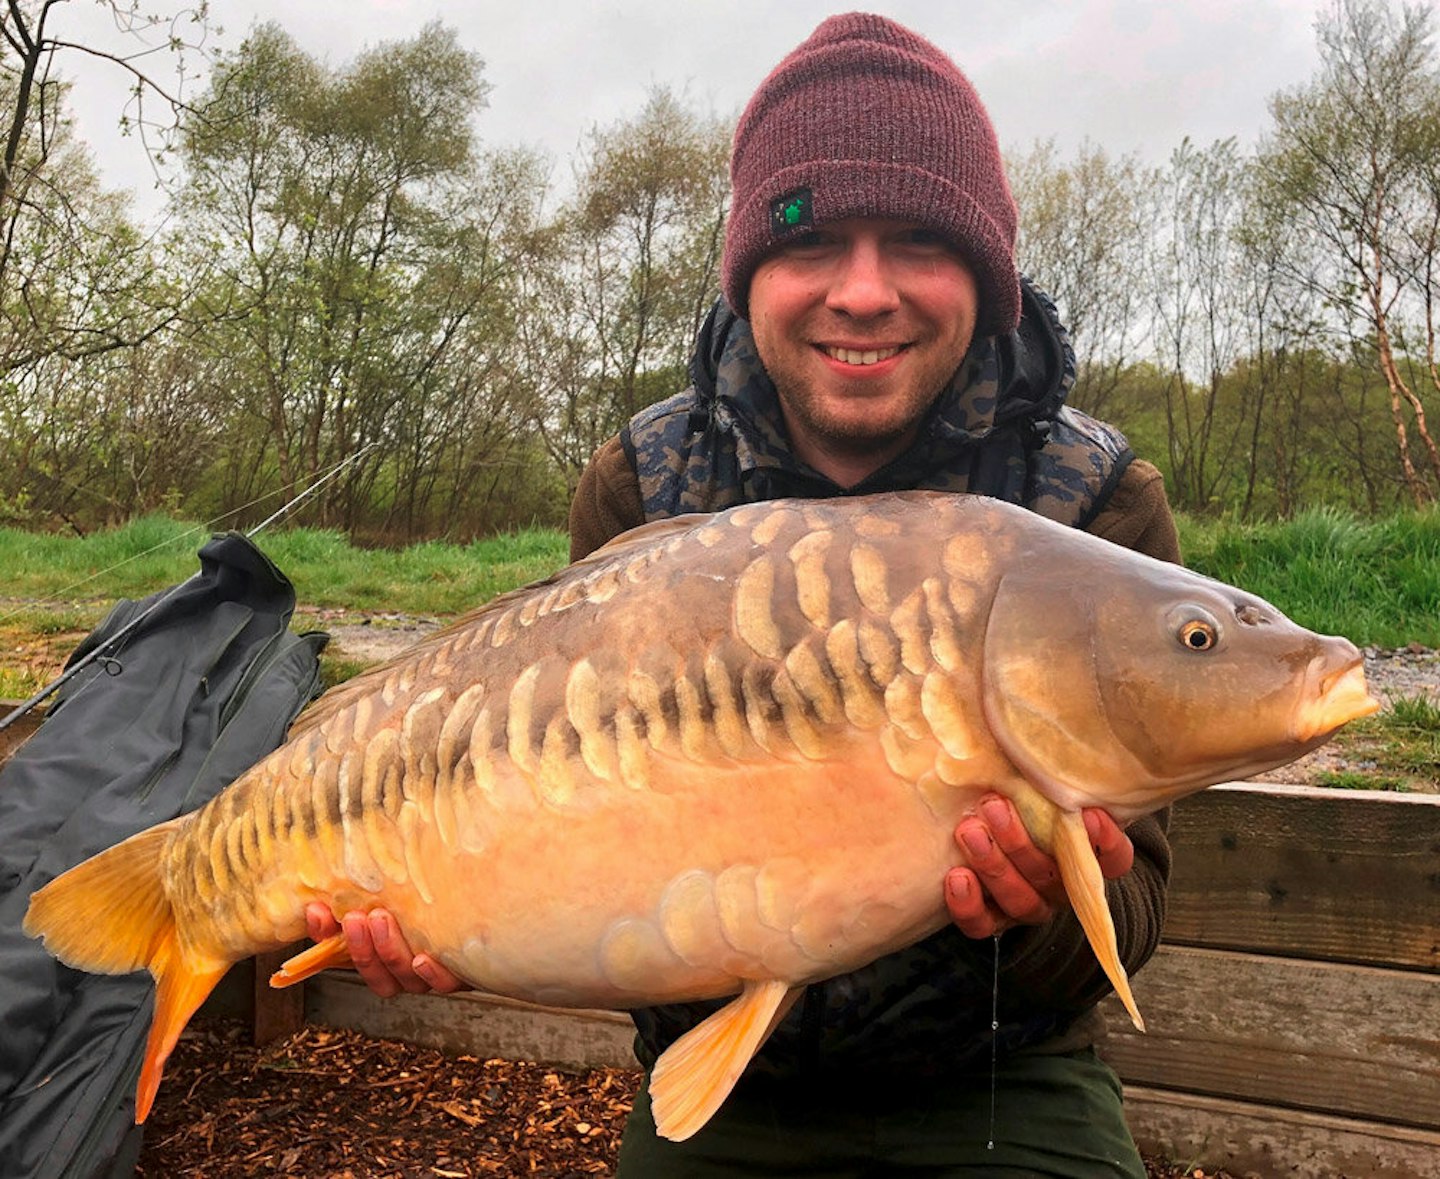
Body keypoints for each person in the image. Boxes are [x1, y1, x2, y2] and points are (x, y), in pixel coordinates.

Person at [309, 12, 1180, 1176]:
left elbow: (1135, 921)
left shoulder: (1092, 500)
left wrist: (1035, 916)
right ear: (749, 271)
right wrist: (448, 918)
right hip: (721, 1076)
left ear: (986, 269)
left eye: (917, 241)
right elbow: (583, 841)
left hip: (1000, 1075)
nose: (862, 293)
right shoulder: (643, 481)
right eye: (808, 239)